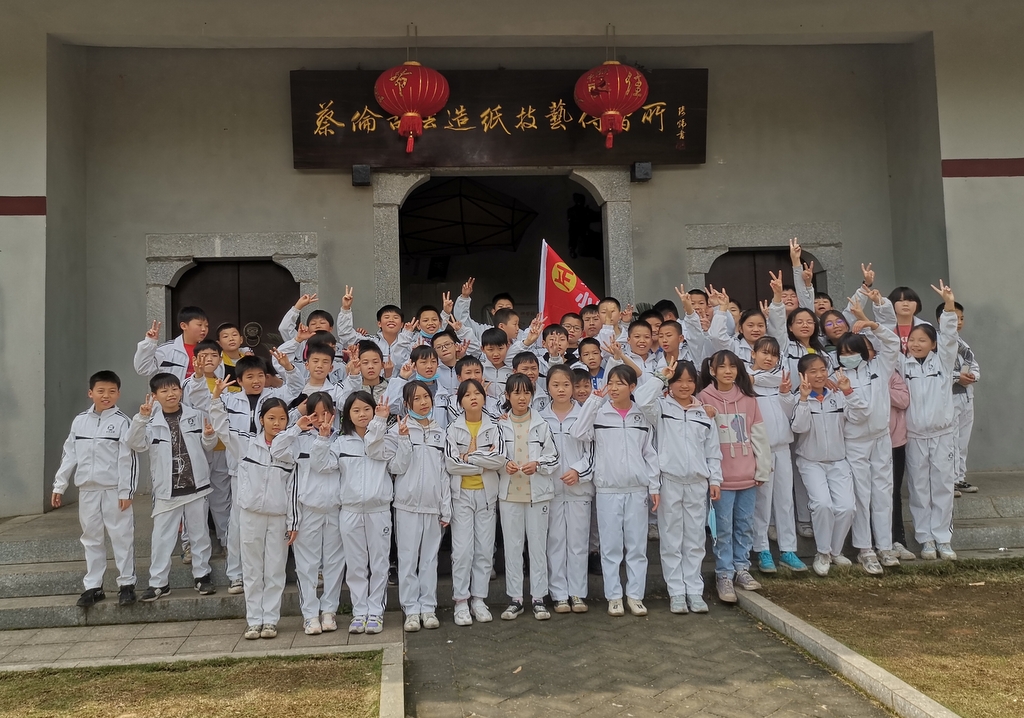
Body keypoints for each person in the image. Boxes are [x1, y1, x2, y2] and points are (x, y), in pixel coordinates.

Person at [187, 350, 303, 595]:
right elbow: (202, 402)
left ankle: (268, 575)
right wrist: (202, 380)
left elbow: (296, 388)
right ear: (239, 380)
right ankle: (236, 575)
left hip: (271, 467)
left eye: (260, 375)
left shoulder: (273, 397)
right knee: (238, 524)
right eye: (249, 377)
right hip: (240, 467)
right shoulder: (229, 399)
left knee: (270, 526)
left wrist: (288, 367)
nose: (256, 381)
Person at [210, 380, 297, 640]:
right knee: (251, 569)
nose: (277, 423)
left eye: (282, 419)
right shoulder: (245, 444)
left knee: (275, 570)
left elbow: (293, 489)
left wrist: (293, 522)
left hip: (278, 517)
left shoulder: (290, 449)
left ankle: (270, 620)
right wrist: (216, 399)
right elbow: (221, 427)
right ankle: (253, 620)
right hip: (250, 515)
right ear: (261, 420)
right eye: (271, 418)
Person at [571, 365, 659, 618]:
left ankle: (635, 596)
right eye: (611, 382)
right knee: (610, 547)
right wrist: (593, 402)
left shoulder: (642, 416)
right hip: (607, 489)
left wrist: (654, 486)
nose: (614, 388)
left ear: (632, 387)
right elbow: (578, 432)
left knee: (637, 547)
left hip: (637, 489)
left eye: (620, 383)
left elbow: (649, 454)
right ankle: (614, 597)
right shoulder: (600, 414)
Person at [635, 360, 722, 614]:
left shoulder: (704, 414)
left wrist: (715, 480)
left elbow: (712, 451)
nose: (684, 386)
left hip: (697, 483)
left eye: (690, 381)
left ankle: (694, 590)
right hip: (670, 481)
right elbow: (641, 399)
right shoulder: (661, 409)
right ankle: (676, 592)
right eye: (679, 381)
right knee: (671, 539)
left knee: (695, 540)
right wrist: (661, 377)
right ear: (670, 385)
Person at [52, 370, 139, 608]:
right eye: (100, 391)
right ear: (90, 393)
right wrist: (60, 484)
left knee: (121, 536)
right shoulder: (80, 421)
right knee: (91, 538)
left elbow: (128, 459)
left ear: (118, 394)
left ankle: (127, 584)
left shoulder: (123, 422)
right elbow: (69, 454)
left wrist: (126, 491)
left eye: (111, 391)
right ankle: (93, 586)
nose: (106, 395)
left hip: (114, 490)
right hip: (87, 490)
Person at [128, 373, 218, 602]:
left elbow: (208, 446)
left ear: (181, 391)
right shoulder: (150, 422)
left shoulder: (196, 416)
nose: (171, 394)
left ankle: (202, 576)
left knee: (199, 534)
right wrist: (141, 418)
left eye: (175, 389)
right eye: (164, 391)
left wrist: (209, 437)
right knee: (162, 538)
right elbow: (135, 444)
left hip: (196, 486)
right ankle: (159, 583)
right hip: (167, 491)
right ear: (155, 396)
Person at [312, 391, 396, 634]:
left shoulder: (384, 440)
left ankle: (375, 613)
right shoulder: (341, 443)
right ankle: (359, 613)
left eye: (367, 409)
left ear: (375, 411)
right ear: (348, 415)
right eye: (356, 410)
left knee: (379, 563)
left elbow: (396, 464)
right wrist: (322, 439)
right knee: (356, 564)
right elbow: (321, 465)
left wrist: (381, 423)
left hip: (379, 509)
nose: (362, 415)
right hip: (349, 510)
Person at [699, 351, 771, 603]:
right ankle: (724, 573)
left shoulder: (749, 399)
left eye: (732, 366)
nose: (728, 371)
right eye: (722, 367)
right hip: (721, 479)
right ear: (712, 371)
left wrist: (762, 467)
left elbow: (758, 435)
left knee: (744, 524)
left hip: (747, 475)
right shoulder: (703, 398)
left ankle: (741, 568)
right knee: (723, 528)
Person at [837, 293, 902, 574]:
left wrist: (871, 324)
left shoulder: (878, 367)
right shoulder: (838, 378)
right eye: (843, 353)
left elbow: (893, 343)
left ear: (864, 353)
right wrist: (848, 392)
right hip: (855, 442)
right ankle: (865, 549)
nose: (848, 357)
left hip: (880, 438)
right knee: (861, 494)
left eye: (853, 352)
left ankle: (885, 546)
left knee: (883, 492)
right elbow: (856, 414)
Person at [792, 355, 869, 576]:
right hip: (811, 462)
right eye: (813, 371)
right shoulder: (798, 398)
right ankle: (822, 552)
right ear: (803, 375)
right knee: (822, 505)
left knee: (847, 507)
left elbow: (861, 415)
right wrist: (804, 399)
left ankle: (835, 552)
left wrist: (848, 391)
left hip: (838, 461)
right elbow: (798, 427)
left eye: (822, 370)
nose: (819, 375)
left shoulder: (837, 395)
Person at [275, 392, 345, 636]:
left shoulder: (341, 439)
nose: (322, 418)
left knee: (334, 565)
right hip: (307, 511)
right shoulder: (299, 439)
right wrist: (297, 427)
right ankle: (310, 615)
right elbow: (277, 450)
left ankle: (329, 611)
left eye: (326, 413)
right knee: (307, 566)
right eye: (316, 413)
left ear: (334, 414)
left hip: (336, 510)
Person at [901, 281, 960, 561]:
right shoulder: (903, 365)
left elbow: (950, 336)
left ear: (933, 344)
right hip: (914, 436)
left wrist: (949, 305)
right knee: (919, 488)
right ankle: (925, 538)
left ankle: (943, 538)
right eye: (912, 340)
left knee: (942, 486)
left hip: (942, 435)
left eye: (922, 340)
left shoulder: (943, 363)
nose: (916, 344)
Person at [387, 381, 452, 632]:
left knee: (429, 560)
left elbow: (444, 473)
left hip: (433, 507)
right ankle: (411, 610)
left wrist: (445, 506)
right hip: (406, 505)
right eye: (417, 399)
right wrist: (404, 440)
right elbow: (395, 467)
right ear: (406, 404)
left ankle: (428, 607)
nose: (423, 402)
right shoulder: (398, 430)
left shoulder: (440, 432)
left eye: (426, 397)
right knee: (407, 559)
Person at [496, 374, 560, 621]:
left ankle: (538, 599)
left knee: (537, 546)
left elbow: (553, 457)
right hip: (510, 494)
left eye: (526, 393)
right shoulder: (499, 425)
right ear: (507, 396)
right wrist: (505, 464)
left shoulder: (541, 424)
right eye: (516, 393)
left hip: (537, 495)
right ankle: (515, 599)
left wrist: (539, 464)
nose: (522, 398)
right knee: (512, 547)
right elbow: (493, 455)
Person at [445, 379, 507, 626]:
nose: (473, 397)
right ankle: (461, 601)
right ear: (460, 401)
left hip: (487, 496)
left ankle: (479, 599)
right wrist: (482, 461)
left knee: (484, 550)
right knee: (462, 551)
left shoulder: (494, 427)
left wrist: (469, 456)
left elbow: (499, 460)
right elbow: (451, 464)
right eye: (467, 394)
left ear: (484, 398)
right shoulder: (453, 428)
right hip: (461, 496)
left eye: (477, 393)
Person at [747, 337, 806, 573]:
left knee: (784, 500)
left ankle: (788, 549)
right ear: (753, 354)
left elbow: (790, 412)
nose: (768, 358)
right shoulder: (746, 380)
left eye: (773, 354)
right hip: (760, 451)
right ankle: (762, 549)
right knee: (762, 502)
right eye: (764, 353)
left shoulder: (782, 379)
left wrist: (784, 394)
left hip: (782, 448)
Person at [540, 365, 595, 614]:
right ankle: (559, 594)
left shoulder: (585, 415)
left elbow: (593, 452)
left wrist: (578, 471)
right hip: (551, 490)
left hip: (578, 490)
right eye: (555, 385)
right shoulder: (540, 418)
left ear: (573, 387)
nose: (561, 389)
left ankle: (577, 593)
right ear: (547, 388)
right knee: (555, 542)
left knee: (578, 543)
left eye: (565, 385)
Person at [936, 301, 980, 496]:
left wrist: (972, 376)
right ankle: (949, 480)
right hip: (948, 397)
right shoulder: (935, 341)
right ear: (942, 319)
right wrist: (956, 377)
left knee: (962, 441)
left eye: (961, 318)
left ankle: (960, 478)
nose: (959, 322)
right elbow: (937, 369)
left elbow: (973, 364)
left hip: (965, 396)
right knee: (950, 440)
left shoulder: (963, 344)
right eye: (955, 318)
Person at [133, 307, 209, 380]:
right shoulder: (166, 350)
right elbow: (143, 368)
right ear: (183, 326)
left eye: (206, 326)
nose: (204, 329)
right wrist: (150, 342)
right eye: (199, 325)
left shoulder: (209, 351)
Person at [888, 370, 915, 561]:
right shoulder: (847, 375)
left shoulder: (891, 374)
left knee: (893, 492)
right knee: (867, 495)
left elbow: (904, 400)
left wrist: (881, 389)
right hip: (865, 443)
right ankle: (873, 542)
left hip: (895, 442)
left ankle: (898, 539)